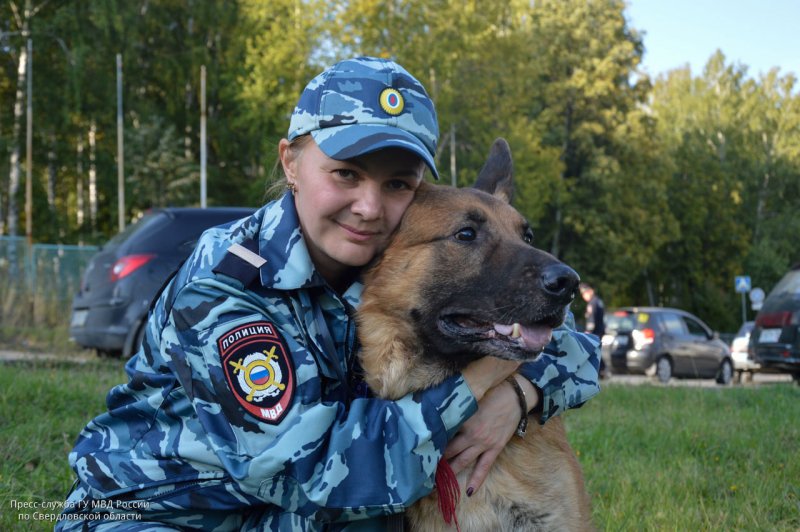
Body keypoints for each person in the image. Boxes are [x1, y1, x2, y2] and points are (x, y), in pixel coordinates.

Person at [57, 57, 600, 531]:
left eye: (396, 184)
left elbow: (571, 346)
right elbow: (313, 473)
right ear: (290, 163)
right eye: (345, 174)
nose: (369, 206)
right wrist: (483, 383)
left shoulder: (389, 257)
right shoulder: (225, 286)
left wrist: (519, 396)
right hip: (163, 515)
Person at [580, 282, 606, 377]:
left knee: (592, 351)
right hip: (600, 330)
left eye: (584, 293)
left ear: (590, 291)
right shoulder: (598, 301)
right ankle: (602, 370)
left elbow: (591, 320)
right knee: (595, 351)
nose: (584, 296)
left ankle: (600, 370)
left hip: (594, 332)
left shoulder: (592, 303)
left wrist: (588, 332)